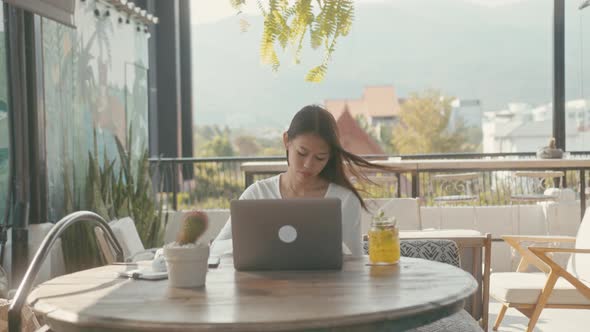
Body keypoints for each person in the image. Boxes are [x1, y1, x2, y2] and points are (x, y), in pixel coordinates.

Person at [211, 104, 397, 257]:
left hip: (326, 294)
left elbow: (356, 262)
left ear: (330, 157)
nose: (308, 164)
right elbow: (216, 250)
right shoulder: (258, 194)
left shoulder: (345, 200)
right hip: (266, 295)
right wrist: (255, 241)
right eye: (302, 153)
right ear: (286, 141)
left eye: (320, 157)